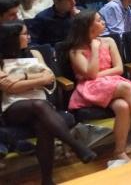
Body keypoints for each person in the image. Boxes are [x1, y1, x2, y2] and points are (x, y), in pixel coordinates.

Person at [65, 10, 131, 168]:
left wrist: (97, 75)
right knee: (125, 86)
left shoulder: (109, 41)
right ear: (88, 26)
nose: (103, 22)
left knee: (123, 106)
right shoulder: (76, 51)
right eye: (99, 20)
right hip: (90, 89)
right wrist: (94, 49)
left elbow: (119, 68)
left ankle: (119, 151)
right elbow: (90, 74)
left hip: (111, 83)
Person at [0, 21, 97, 184]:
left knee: (43, 126)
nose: (29, 37)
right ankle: (75, 145)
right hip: (13, 108)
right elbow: (9, 87)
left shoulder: (34, 53)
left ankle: (47, 180)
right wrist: (37, 79)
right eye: (25, 34)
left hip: (41, 106)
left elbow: (50, 77)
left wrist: (22, 78)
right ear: (12, 38)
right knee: (38, 105)